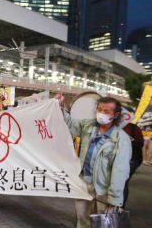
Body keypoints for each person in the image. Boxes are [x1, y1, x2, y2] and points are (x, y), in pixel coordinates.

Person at [57, 94, 132, 228]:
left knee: (102, 224)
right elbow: (69, 125)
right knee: (83, 221)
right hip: (84, 184)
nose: (101, 113)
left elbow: (120, 171)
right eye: (99, 109)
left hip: (103, 190)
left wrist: (114, 199)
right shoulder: (89, 126)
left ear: (115, 115)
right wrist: (60, 107)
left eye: (106, 111)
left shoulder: (121, 139)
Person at [121, 108, 144, 208]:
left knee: (122, 181)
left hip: (131, 160)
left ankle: (121, 205)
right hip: (117, 159)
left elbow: (140, 143)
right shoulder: (113, 127)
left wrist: (127, 140)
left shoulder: (134, 128)